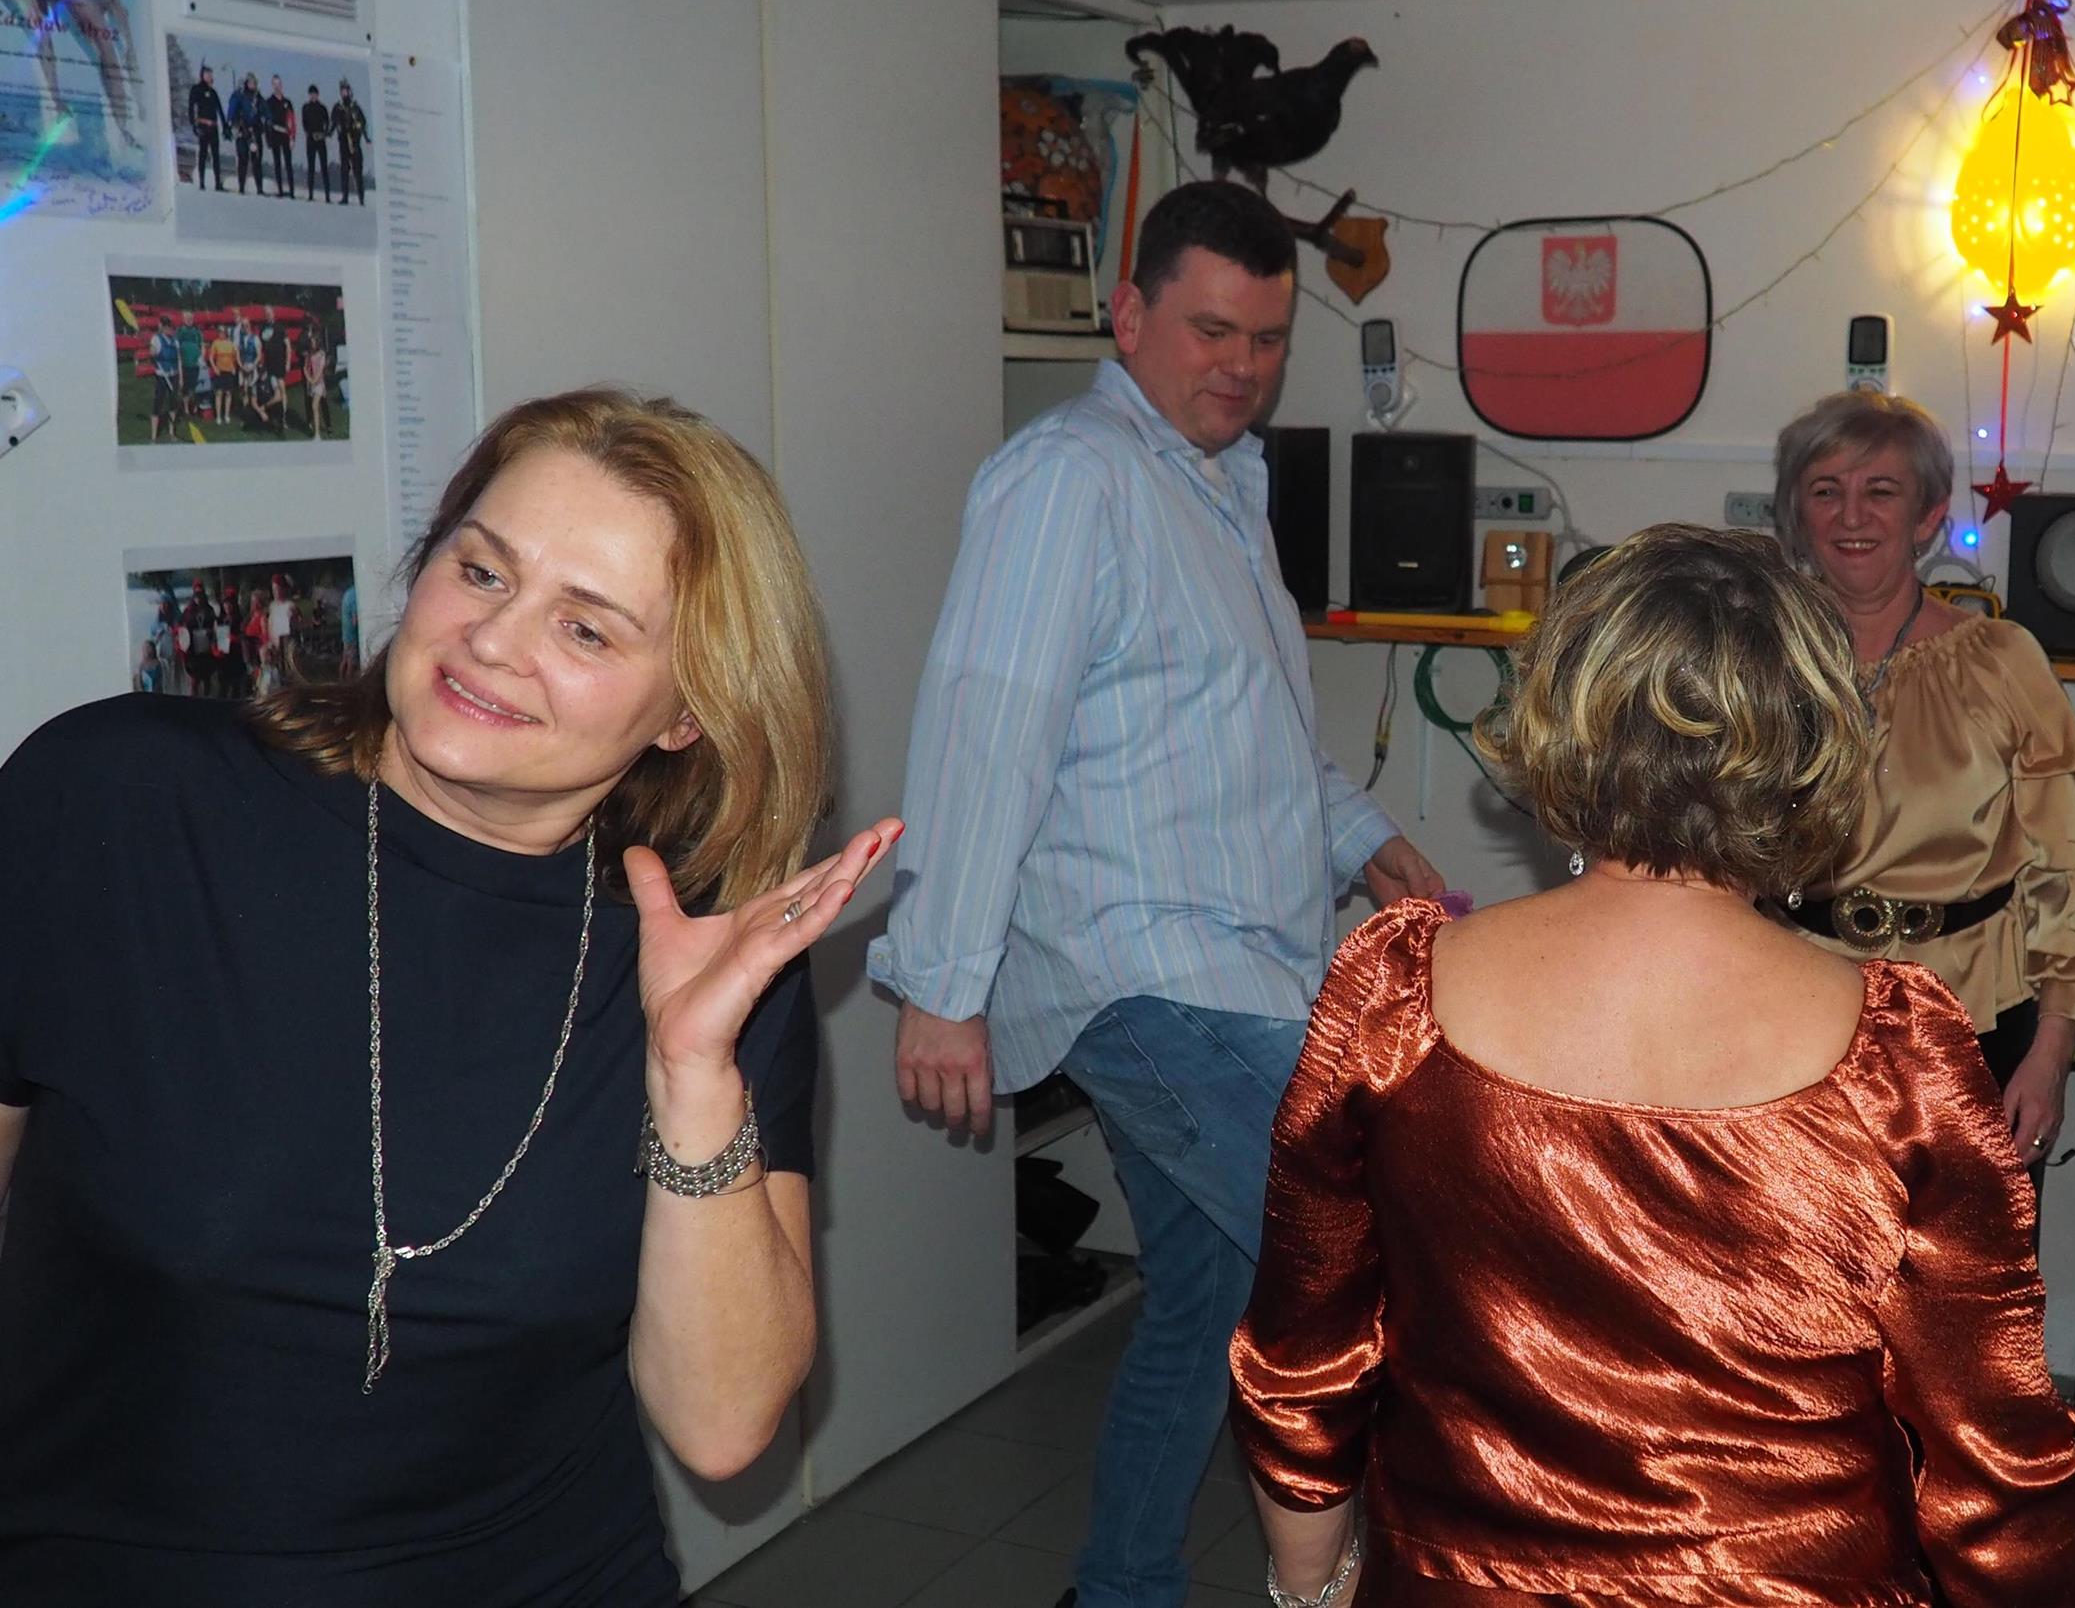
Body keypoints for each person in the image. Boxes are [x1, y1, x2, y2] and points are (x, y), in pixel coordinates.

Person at [0, 388, 902, 1605]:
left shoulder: (698, 954)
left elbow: (723, 1422)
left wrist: (693, 1073)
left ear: (689, 711)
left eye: (585, 630)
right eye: (481, 570)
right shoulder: (125, 801)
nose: (492, 639)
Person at [1232, 524, 2075, 1607]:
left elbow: (1301, 1359)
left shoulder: (1394, 995)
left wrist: (1311, 1584)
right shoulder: (1899, 1052)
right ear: (1813, 743)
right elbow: (1997, 1460)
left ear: (1562, 716)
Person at [871, 179, 1444, 1608]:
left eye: (1266, 338)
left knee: (1205, 1299)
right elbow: (987, 722)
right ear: (1128, 317)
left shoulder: (1223, 484)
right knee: (1373, 1260)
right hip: (1146, 976)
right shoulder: (1071, 478)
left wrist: (1368, 840)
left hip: (1241, 961)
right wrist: (941, 981)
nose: (1240, 366)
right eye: (1209, 331)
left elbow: (1243, 728)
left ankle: (1117, 1586)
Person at [1765, 389, 2075, 1185]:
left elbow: (2071, 866)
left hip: (1978, 1026)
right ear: (1797, 513)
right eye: (1826, 490)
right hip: (1792, 1021)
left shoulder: (2000, 659)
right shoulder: (1756, 663)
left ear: (1928, 516)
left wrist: (2051, 1054)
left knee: (1965, 1260)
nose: (1852, 515)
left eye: (1880, 491)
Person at [331, 78, 369, 204]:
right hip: (343, 142)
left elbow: (363, 123)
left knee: (358, 171)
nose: (344, 93)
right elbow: (333, 123)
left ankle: (361, 198)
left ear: (349, 91)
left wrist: (365, 137)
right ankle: (345, 197)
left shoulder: (355, 107)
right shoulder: (338, 107)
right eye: (342, 91)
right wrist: (329, 133)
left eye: (345, 90)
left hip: (355, 142)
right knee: (344, 170)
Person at [186, 64, 222, 190]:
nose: (210, 76)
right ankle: (202, 182)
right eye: (207, 74)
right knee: (202, 153)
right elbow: (191, 106)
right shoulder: (197, 89)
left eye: (211, 74)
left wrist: (225, 126)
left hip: (213, 125)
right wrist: (193, 124)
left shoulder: (213, 92)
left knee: (216, 155)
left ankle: (218, 182)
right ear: (202, 75)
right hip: (203, 124)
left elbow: (219, 109)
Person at [227, 71, 262, 195]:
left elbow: (261, 112)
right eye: (250, 83)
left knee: (255, 159)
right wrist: (231, 124)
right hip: (241, 131)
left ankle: (259, 188)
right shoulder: (238, 96)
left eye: (254, 83)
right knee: (242, 159)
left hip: (253, 132)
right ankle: (241, 186)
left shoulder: (257, 98)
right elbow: (231, 111)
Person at [264, 78, 295, 198]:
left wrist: (292, 138)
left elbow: (292, 120)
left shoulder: (287, 102)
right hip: (275, 135)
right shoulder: (269, 102)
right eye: (275, 84)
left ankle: (291, 191)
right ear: (273, 86)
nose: (277, 87)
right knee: (277, 163)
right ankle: (280, 190)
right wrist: (268, 139)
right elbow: (266, 122)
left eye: (279, 84)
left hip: (285, 135)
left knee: (288, 163)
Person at [302, 84, 330, 200]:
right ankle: (310, 194)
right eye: (311, 94)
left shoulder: (322, 108)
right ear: (309, 95)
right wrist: (310, 133)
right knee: (311, 167)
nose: (313, 96)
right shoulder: (306, 107)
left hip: (321, 140)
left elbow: (327, 123)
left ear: (317, 95)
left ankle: (327, 195)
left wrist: (324, 134)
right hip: (310, 140)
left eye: (315, 94)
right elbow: (304, 123)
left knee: (324, 167)